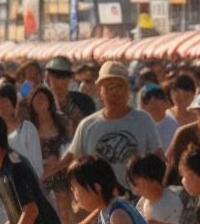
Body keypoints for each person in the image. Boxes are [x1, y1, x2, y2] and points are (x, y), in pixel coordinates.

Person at [46, 61, 161, 193]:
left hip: (136, 200)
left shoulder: (143, 120)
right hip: (98, 201)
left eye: (119, 86)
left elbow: (157, 156)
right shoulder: (87, 125)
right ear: (100, 92)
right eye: (108, 87)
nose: (114, 92)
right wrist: (43, 177)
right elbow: (71, 159)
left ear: (128, 90)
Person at [28, 84, 75, 224]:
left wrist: (55, 165)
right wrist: (43, 164)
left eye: (43, 98)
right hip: (39, 171)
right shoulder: (29, 126)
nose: (40, 102)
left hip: (62, 168)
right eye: (36, 99)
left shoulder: (62, 121)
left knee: (63, 199)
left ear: (49, 101)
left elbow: (71, 148)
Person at [126, 151, 183, 224]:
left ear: (152, 180)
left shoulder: (172, 200)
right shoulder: (142, 203)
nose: (133, 184)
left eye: (136, 180)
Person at [140, 83, 179, 153]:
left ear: (167, 102)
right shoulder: (137, 128)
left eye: (157, 96)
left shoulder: (176, 128)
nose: (152, 101)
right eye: (147, 98)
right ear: (142, 105)